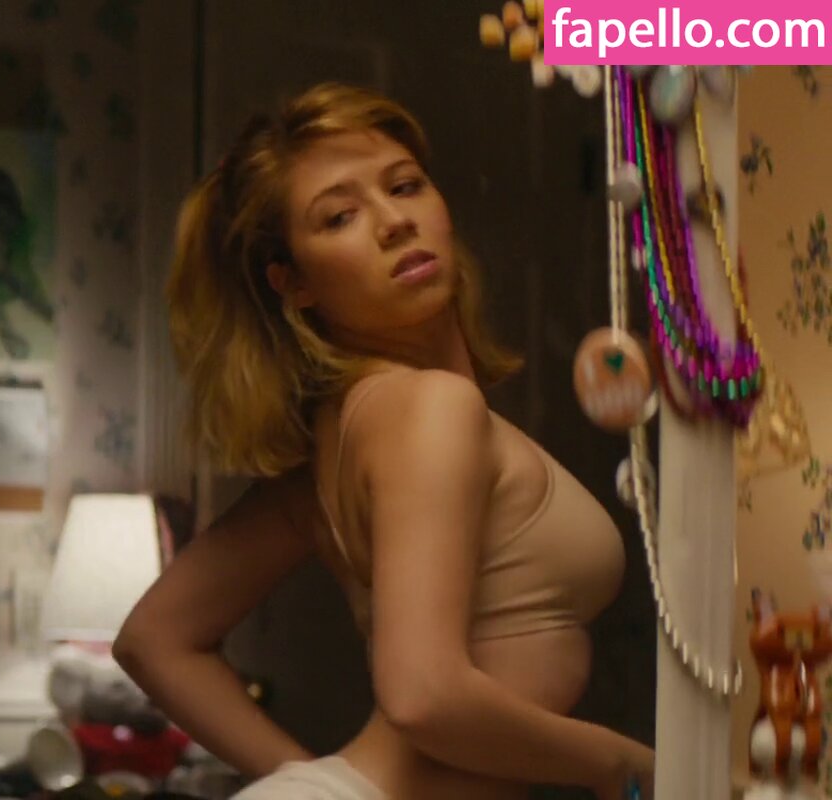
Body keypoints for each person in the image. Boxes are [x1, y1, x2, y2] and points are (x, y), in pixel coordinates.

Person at [111, 83, 654, 800]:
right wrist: (627, 767)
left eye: (404, 185)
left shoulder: (347, 441)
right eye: (339, 216)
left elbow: (155, 639)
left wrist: (312, 784)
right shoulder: (429, 408)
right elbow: (422, 695)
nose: (395, 222)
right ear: (293, 282)